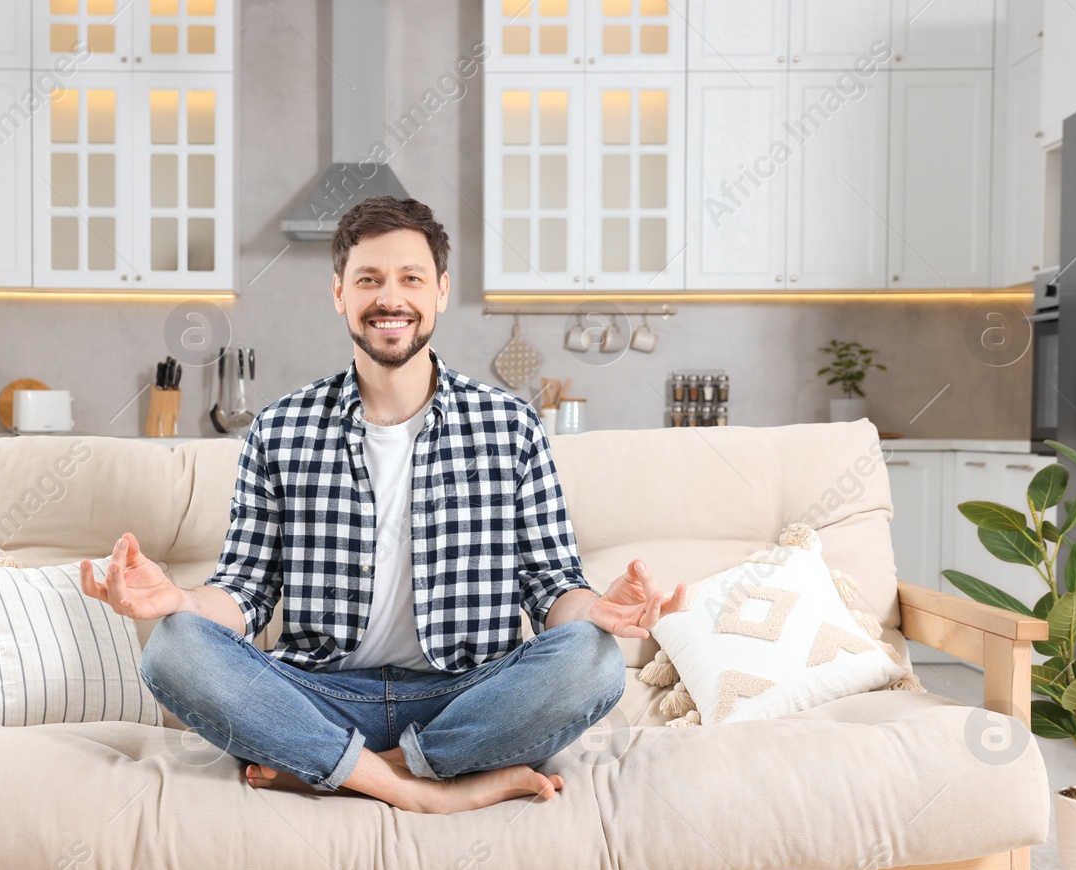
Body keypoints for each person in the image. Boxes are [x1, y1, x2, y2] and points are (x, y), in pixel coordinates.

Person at [80, 195, 685, 814]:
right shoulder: (280, 428)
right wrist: (180, 602)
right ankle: (421, 788)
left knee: (592, 659)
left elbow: (551, 586)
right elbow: (244, 591)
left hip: (466, 699)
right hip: (317, 695)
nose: (389, 298)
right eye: (368, 279)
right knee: (175, 648)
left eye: (411, 278)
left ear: (441, 290)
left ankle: (354, 770)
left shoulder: (511, 425)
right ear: (339, 292)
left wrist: (599, 608)